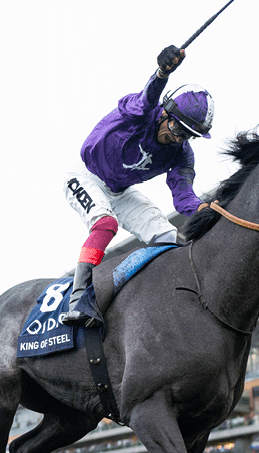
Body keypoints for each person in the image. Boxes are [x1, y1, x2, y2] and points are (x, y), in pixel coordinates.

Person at [62, 45, 214, 324]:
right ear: (166, 114)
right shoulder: (140, 113)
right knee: (106, 224)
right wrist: (162, 73)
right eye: (179, 129)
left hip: (121, 191)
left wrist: (205, 209)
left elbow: (183, 196)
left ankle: (138, 291)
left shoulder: (181, 155)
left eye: (189, 136)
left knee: (167, 237)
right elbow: (146, 98)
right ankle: (78, 299)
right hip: (84, 175)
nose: (179, 140)